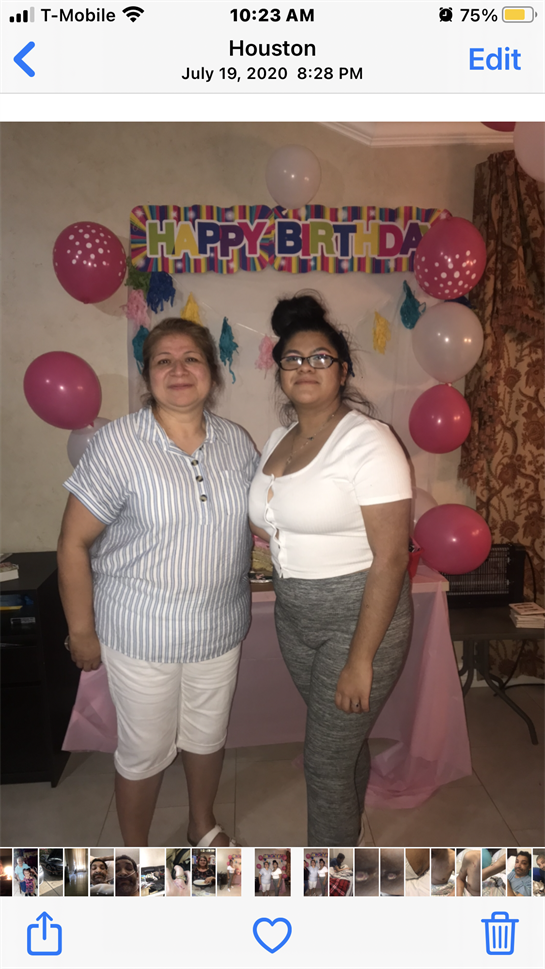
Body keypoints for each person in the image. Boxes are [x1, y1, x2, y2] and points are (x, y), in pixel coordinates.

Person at [58, 318, 258, 848]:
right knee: (144, 750)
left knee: (207, 736)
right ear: (147, 375)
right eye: (163, 360)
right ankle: (136, 856)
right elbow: (72, 543)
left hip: (218, 628)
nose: (178, 369)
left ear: (212, 373)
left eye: (191, 358)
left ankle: (201, 824)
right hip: (142, 632)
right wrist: (81, 630)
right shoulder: (118, 444)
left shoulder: (237, 443)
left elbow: (261, 519)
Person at [249, 294, 412, 846]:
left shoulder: (370, 442)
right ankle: (354, 838)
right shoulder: (276, 439)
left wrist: (361, 660)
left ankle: (331, 884)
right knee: (344, 746)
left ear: (343, 370)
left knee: (322, 764)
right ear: (280, 374)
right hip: (295, 621)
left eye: (321, 358)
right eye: (293, 359)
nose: (305, 368)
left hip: (359, 624)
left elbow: (391, 557)